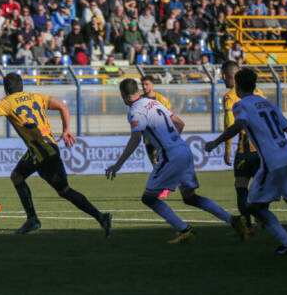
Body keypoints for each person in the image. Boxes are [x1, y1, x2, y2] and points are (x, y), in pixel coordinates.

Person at [205, 68, 287, 255]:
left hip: (272, 161)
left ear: (237, 85)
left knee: (253, 206)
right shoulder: (268, 104)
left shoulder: (240, 105)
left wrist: (216, 142)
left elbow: (240, 124)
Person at [0, 72, 111, 235]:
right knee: (63, 190)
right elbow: (63, 106)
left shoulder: (5, 103)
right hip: (51, 147)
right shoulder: (35, 97)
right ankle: (100, 217)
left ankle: (33, 219)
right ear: (22, 86)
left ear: (6, 89)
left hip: (39, 153)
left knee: (20, 178)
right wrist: (66, 130)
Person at [105, 79, 248, 244]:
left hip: (171, 155)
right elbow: (180, 123)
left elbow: (136, 137)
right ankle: (234, 220)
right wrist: (171, 144)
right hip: (184, 150)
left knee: (149, 198)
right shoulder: (154, 102)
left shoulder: (135, 111)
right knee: (190, 197)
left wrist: (118, 164)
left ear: (123, 96)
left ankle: (184, 229)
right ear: (138, 90)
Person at [221, 60, 265, 232]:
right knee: (259, 186)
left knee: (241, 186)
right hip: (262, 149)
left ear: (225, 76)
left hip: (245, 150)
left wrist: (226, 149)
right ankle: (262, 218)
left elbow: (231, 126)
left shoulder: (230, 97)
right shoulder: (259, 92)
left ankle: (247, 224)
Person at [140, 75, 175, 198]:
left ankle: (164, 188)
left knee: (158, 161)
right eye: (143, 84)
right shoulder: (140, 100)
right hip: (147, 138)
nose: (144, 87)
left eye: (147, 84)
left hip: (160, 137)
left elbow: (170, 116)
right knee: (155, 164)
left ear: (152, 85)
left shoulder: (161, 99)